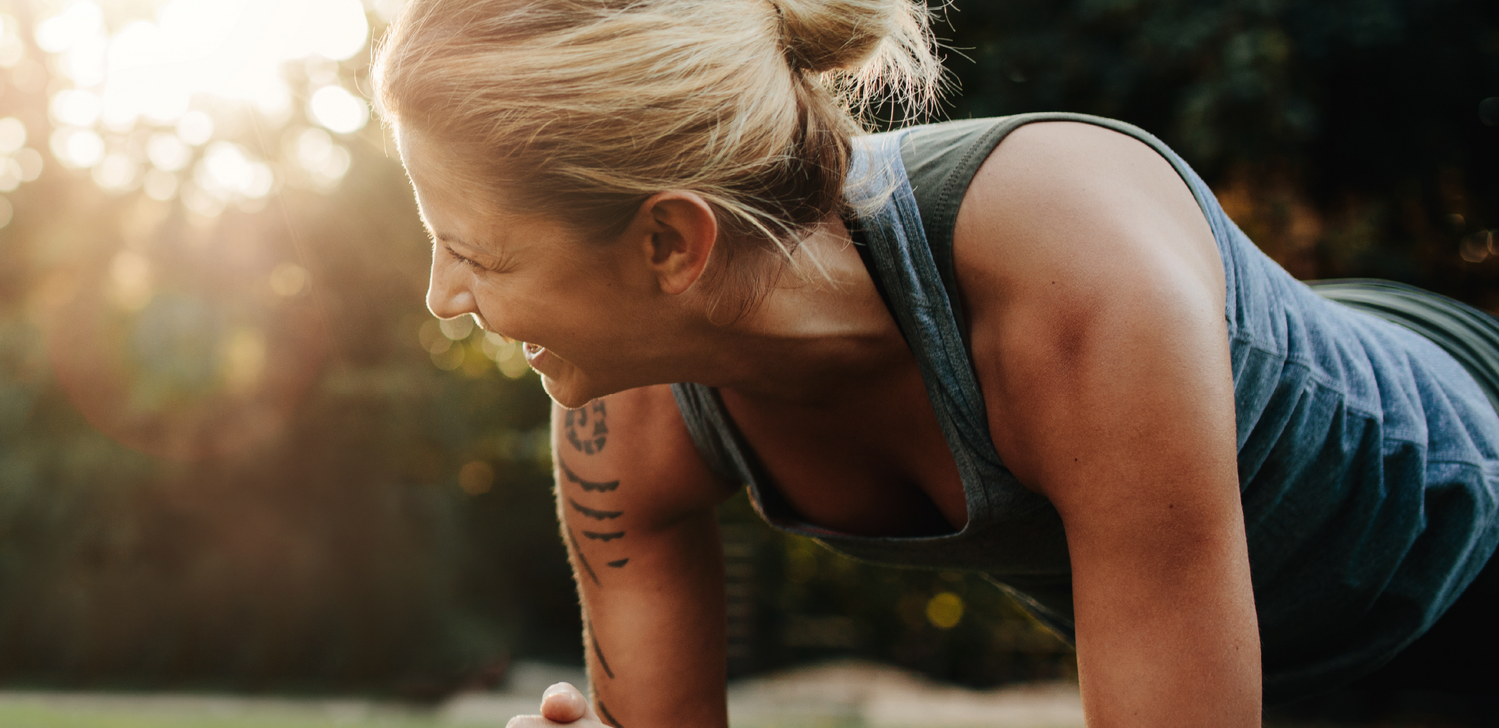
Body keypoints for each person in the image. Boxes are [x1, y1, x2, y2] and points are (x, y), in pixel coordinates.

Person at [372, 0, 1499, 725]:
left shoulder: (1076, 274)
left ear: (670, 241)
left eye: (476, 252)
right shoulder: (621, 415)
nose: (442, 296)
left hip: (1467, 527)